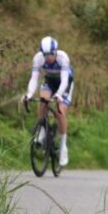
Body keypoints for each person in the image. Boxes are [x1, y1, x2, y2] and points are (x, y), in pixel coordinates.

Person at [23, 35, 75, 166]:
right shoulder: (38, 58)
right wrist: (29, 94)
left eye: (51, 54)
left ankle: (63, 147)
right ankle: (42, 130)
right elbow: (34, 78)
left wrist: (58, 95)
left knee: (60, 111)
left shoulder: (63, 57)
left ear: (55, 51)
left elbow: (64, 80)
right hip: (50, 81)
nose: (48, 57)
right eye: (45, 54)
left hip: (65, 84)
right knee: (42, 102)